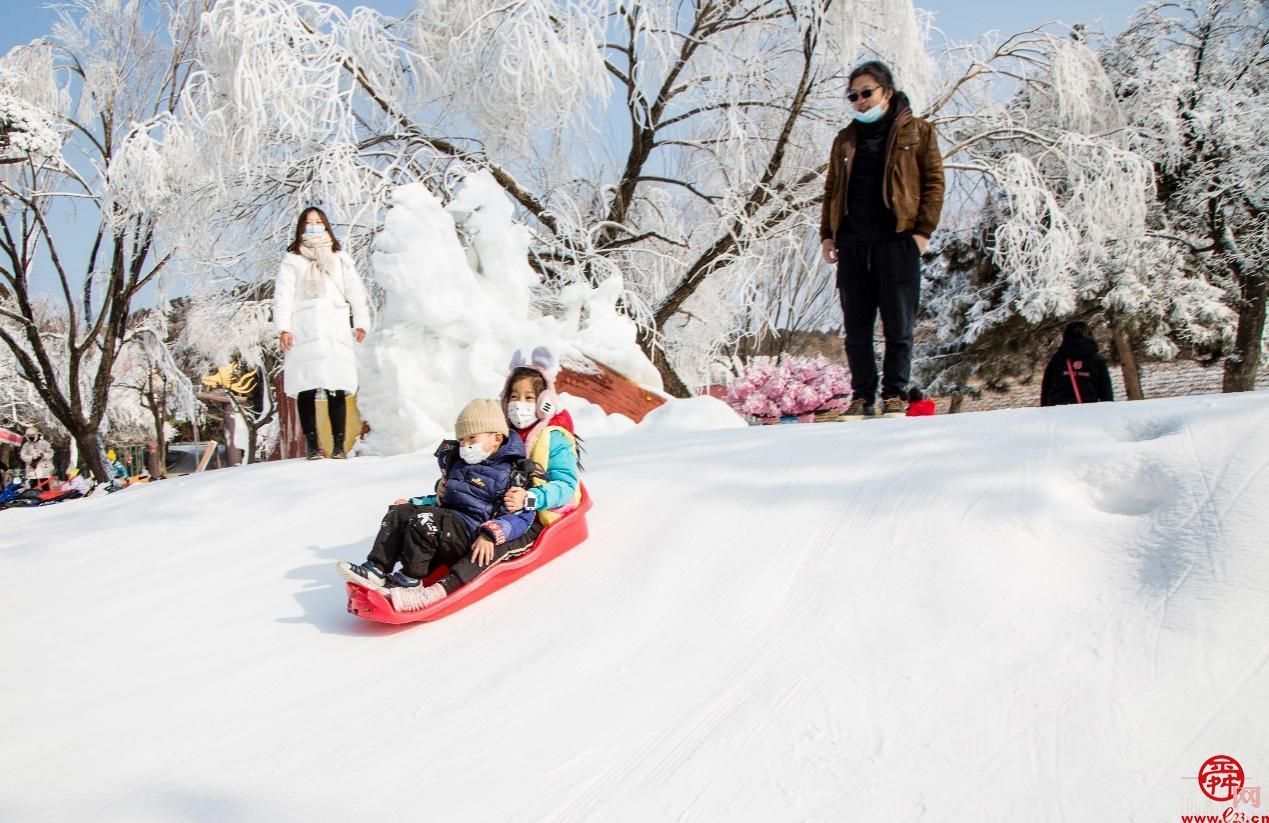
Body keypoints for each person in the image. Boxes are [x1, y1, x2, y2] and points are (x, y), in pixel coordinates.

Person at [820, 60, 945, 419]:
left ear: (886, 92)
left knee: (898, 324)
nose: (860, 101)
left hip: (897, 240)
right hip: (853, 243)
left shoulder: (919, 132)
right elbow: (831, 190)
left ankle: (894, 394)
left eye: (866, 93)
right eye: (853, 96)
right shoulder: (845, 140)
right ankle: (862, 396)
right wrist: (828, 235)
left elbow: (934, 182)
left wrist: (922, 233)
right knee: (856, 327)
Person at [337, 399, 537, 612]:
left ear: (497, 438)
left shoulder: (511, 473)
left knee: (426, 520)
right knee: (399, 513)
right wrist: (413, 503)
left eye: (472, 438)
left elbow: (521, 517)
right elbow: (444, 497)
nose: (465, 445)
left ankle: (410, 580)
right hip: (446, 522)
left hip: (469, 535)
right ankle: (377, 568)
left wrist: (490, 534)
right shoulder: (460, 464)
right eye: (461, 440)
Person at [273, 206, 371, 460]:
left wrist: (360, 321)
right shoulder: (293, 259)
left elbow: (355, 291)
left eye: (318, 222)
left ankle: (339, 446)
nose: (314, 226)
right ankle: (313, 445)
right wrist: (284, 327)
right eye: (309, 222)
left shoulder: (340, 257)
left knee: (336, 385)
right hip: (304, 326)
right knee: (307, 386)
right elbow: (282, 296)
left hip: (335, 324)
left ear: (326, 225)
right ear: (301, 228)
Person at [1040, 321, 1115, 406]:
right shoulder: (1097, 360)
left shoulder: (1057, 358)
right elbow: (1106, 390)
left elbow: (1046, 386)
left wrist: (1044, 408)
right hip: (1088, 409)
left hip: (1059, 410)